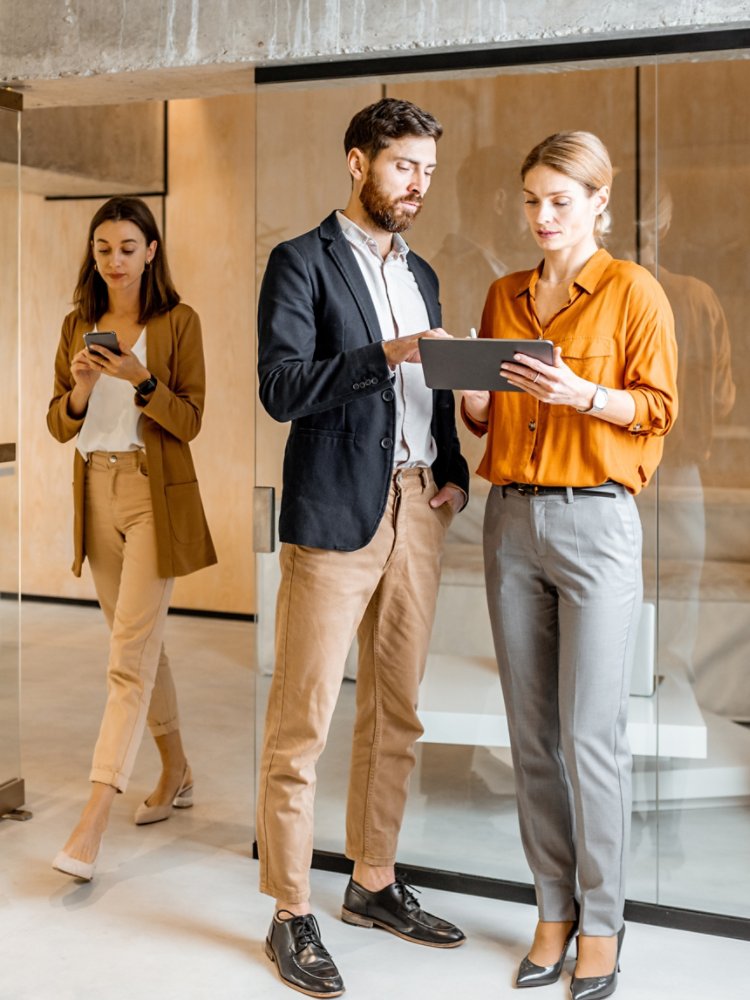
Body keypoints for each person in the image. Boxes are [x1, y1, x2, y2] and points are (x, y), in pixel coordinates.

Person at [256, 97, 469, 998]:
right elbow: (282, 386)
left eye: (425, 168)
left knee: (398, 712)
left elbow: (436, 385)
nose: (417, 183)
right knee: (302, 720)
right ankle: (290, 912)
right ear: (357, 162)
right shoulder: (299, 261)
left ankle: (372, 884)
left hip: (419, 507)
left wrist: (454, 464)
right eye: (401, 166)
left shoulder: (422, 271)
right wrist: (388, 349)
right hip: (335, 509)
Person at [461, 132, 677, 1000]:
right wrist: (473, 397)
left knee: (593, 738)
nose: (542, 216)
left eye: (560, 200)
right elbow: (484, 417)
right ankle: (551, 909)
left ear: (598, 201)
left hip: (597, 526)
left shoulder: (634, 292)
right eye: (531, 200)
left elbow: (658, 409)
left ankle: (604, 921)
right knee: (530, 737)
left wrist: (584, 395)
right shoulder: (504, 294)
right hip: (510, 523)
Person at [47, 196, 216, 882]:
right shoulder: (77, 325)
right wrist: (84, 388)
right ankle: (176, 767)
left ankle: (93, 819)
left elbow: (192, 420)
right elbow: (60, 424)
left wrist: (142, 380)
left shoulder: (178, 322)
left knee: (125, 661)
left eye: (126, 247)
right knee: (139, 644)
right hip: (95, 491)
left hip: (152, 494)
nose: (113, 260)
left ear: (152, 250)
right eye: (103, 249)